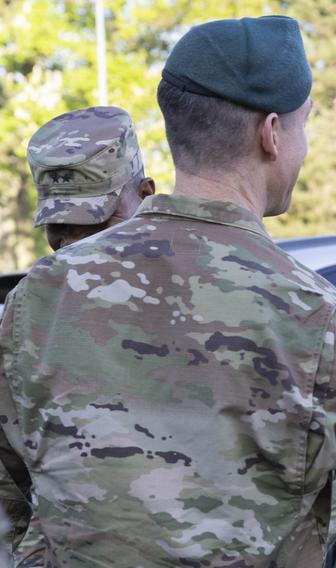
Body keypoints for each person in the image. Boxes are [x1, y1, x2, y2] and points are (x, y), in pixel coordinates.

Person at [0, 15, 336, 567]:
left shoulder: (39, 297)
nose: (304, 146)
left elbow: (11, 496)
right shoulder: (323, 321)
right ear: (271, 134)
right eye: (303, 125)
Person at [4, 106, 156, 566]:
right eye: (59, 227)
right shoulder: (32, 309)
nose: (74, 245)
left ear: (146, 196)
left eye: (95, 223)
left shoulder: (207, 296)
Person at [28, 106, 156, 251]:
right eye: (57, 224)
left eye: (93, 220)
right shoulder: (45, 273)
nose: (70, 243)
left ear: (145, 196)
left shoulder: (181, 268)